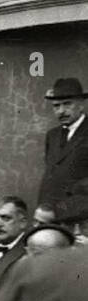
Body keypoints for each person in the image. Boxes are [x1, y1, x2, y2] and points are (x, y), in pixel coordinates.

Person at [37, 77, 88, 208]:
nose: (61, 111)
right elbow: (50, 175)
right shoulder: (52, 135)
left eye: (67, 104)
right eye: (56, 106)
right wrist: (43, 207)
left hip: (79, 212)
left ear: (81, 104)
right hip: (49, 211)